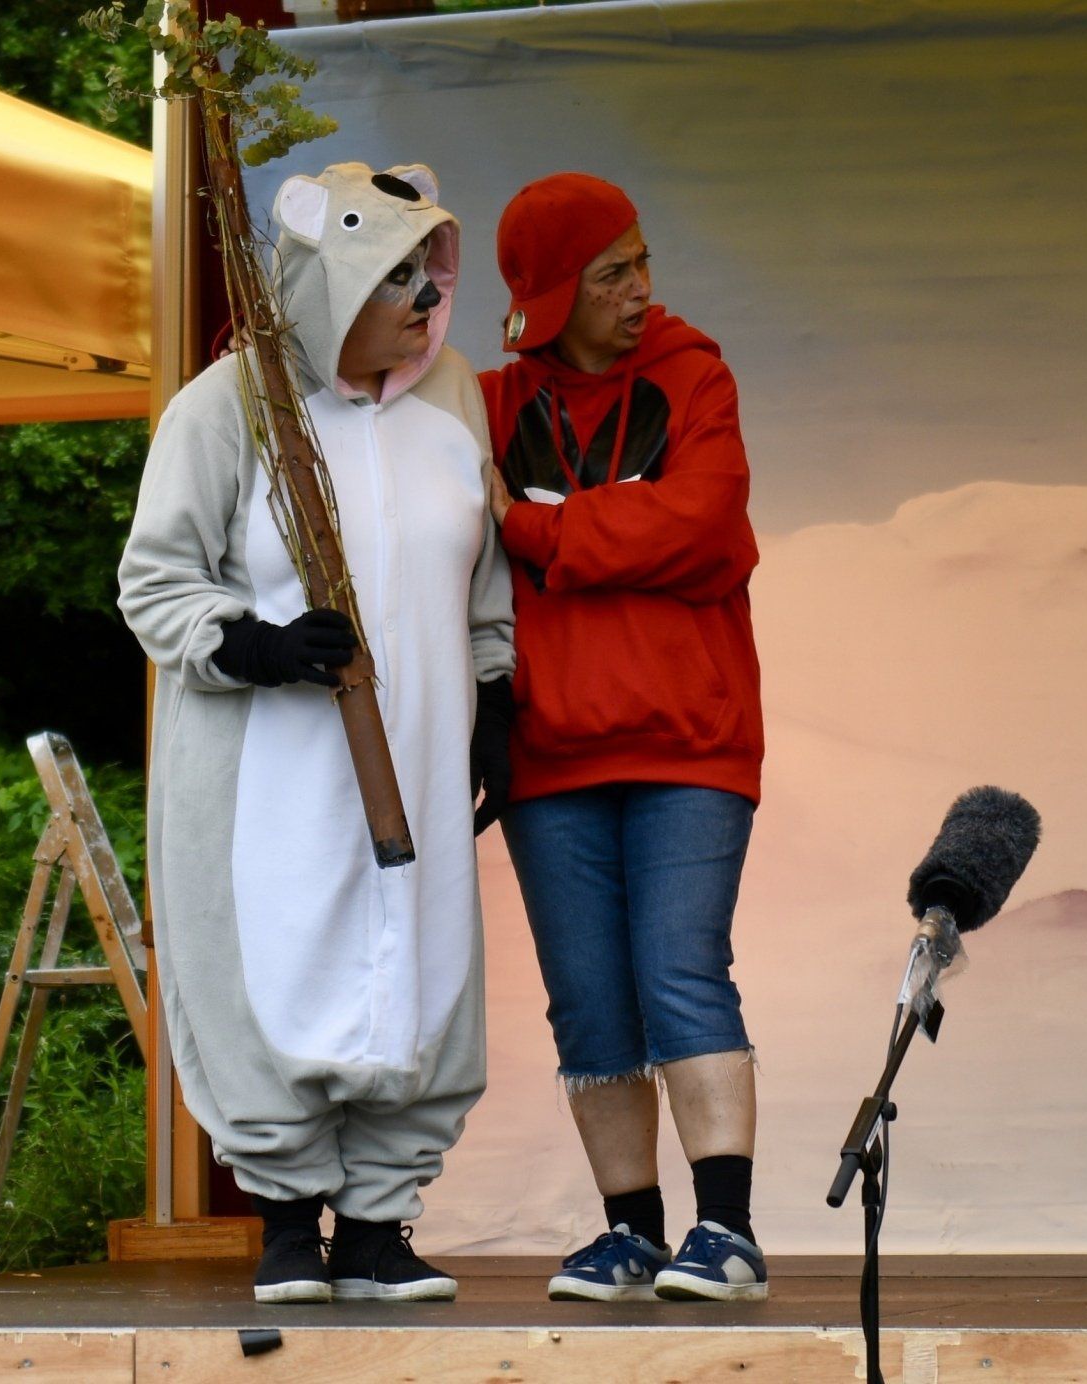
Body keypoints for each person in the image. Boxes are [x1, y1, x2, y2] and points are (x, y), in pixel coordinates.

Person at [119, 162, 516, 1305]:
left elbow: (484, 578)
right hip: (268, 774)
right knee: (279, 959)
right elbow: (155, 579)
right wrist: (256, 644)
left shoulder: (453, 404)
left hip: (418, 765)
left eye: (428, 276)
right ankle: (289, 1219)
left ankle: (382, 1225)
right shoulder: (227, 407)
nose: (423, 302)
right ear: (328, 284)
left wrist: (493, 698)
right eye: (393, 277)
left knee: (419, 958)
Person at [479, 172, 767, 1303]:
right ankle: (633, 1231)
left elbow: (705, 522)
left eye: (643, 261)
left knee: (681, 971)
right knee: (589, 998)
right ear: (553, 295)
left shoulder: (696, 373)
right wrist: (591, 538)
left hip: (691, 739)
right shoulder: (490, 405)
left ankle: (728, 1232)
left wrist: (536, 530)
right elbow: (480, 530)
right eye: (613, 272)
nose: (642, 289)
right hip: (552, 751)